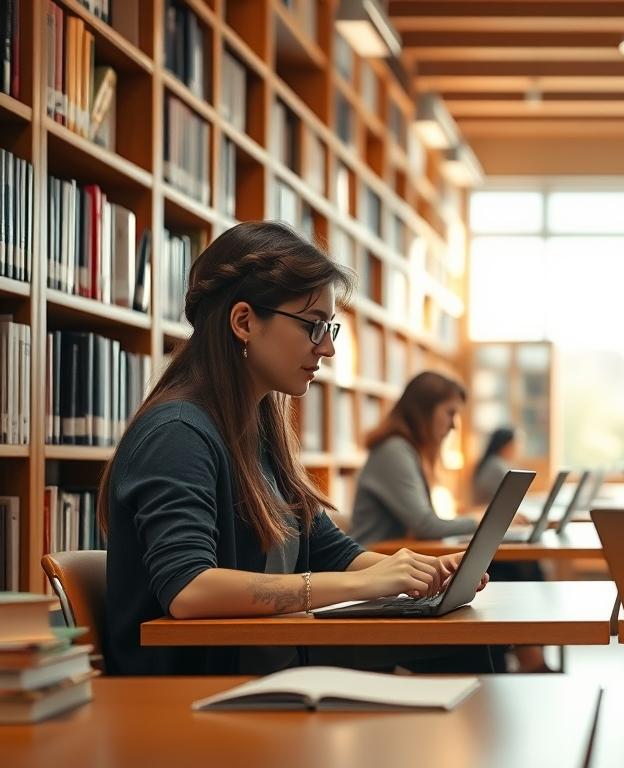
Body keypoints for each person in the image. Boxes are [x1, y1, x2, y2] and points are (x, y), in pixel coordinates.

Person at [100, 222, 485, 676]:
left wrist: (419, 572)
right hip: (191, 704)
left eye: (330, 328)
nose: (327, 348)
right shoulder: (178, 433)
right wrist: (365, 581)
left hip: (273, 676)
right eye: (313, 326)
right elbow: (190, 590)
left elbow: (331, 553)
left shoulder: (257, 430)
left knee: (464, 650)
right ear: (244, 321)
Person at [349, 372, 475, 543]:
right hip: (372, 562)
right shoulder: (394, 451)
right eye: (450, 413)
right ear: (424, 411)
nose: (453, 425)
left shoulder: (407, 449)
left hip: (390, 558)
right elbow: (425, 526)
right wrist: (480, 522)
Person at [472, 427, 517, 506]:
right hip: (487, 510)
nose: (516, 449)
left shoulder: (494, 462)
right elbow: (513, 494)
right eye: (513, 445)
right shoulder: (496, 466)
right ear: (505, 445)